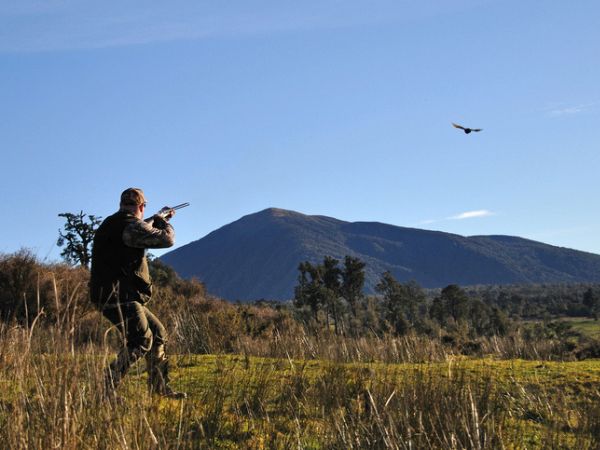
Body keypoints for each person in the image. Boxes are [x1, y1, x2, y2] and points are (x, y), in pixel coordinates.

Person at [90, 187, 186, 399]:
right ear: (141, 207)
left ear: (122, 205)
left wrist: (153, 219)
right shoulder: (130, 226)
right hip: (118, 296)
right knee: (141, 340)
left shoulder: (113, 223)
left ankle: (159, 389)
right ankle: (106, 389)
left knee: (158, 333)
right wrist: (163, 221)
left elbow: (138, 230)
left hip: (114, 294)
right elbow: (167, 239)